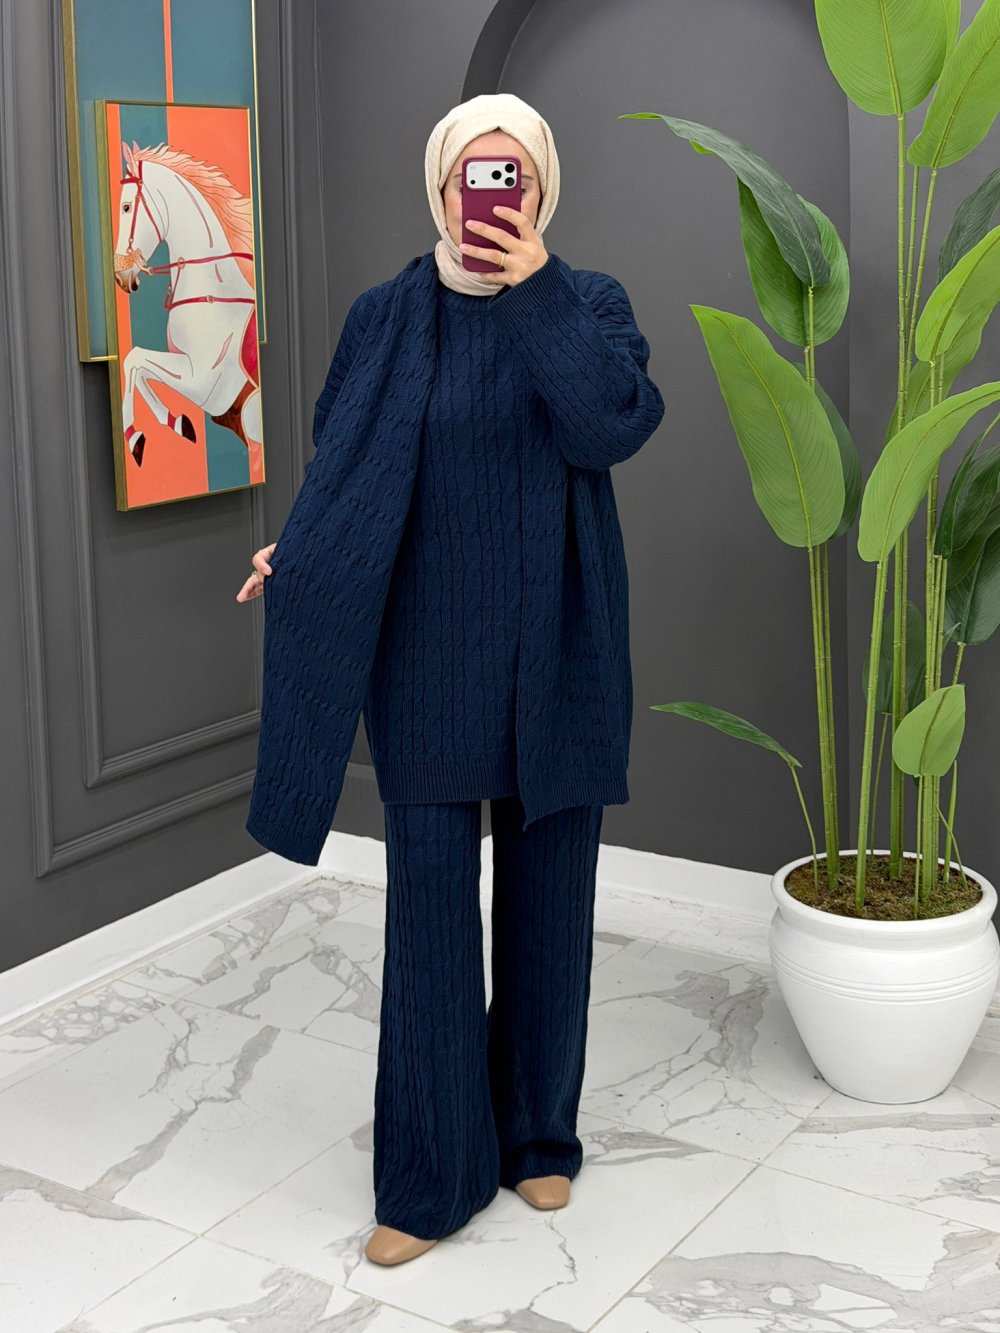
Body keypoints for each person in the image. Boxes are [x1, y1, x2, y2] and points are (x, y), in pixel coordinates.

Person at [237, 93, 664, 1265]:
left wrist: (534, 290)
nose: (493, 192)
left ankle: (537, 1136)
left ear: (542, 188)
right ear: (437, 188)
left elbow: (609, 424)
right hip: (427, 649)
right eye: (474, 174)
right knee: (428, 913)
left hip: (560, 639)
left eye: (512, 174)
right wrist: (300, 549)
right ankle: (429, 1176)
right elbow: (344, 458)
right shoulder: (385, 316)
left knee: (550, 901)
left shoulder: (589, 302)